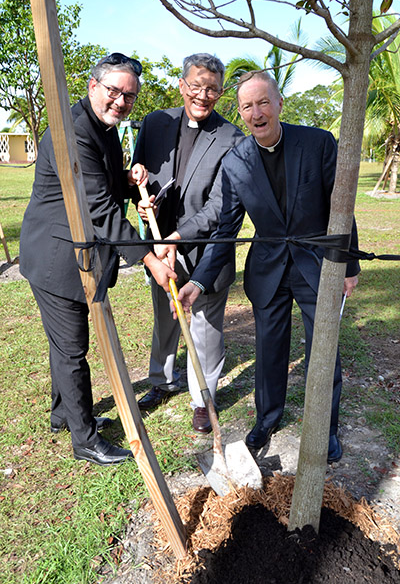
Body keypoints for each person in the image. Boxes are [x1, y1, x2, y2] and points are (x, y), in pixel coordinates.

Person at [176, 71, 360, 462]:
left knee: (323, 352)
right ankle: (267, 418)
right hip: (268, 269)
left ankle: (324, 428)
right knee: (269, 351)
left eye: (263, 102)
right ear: (241, 113)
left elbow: (340, 207)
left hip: (318, 265)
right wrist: (199, 280)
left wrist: (349, 264)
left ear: (279, 104)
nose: (256, 112)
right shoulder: (236, 160)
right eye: (247, 106)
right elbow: (226, 228)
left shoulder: (318, 143)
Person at [19, 53, 177, 465]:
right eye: (114, 91)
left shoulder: (102, 126)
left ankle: (61, 415)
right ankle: (84, 437)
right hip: (56, 258)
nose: (121, 101)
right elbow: (100, 212)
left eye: (129, 96)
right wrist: (151, 259)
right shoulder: (72, 131)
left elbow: (102, 185)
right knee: (72, 349)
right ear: (93, 86)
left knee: (63, 343)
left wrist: (127, 181)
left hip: (68, 252)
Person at [132, 53, 243, 433]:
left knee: (206, 328)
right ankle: (161, 381)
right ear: (182, 85)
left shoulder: (231, 138)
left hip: (205, 252)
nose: (202, 94)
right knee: (165, 316)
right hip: (159, 245)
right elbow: (136, 175)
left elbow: (220, 207)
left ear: (221, 93)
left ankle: (203, 397)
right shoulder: (154, 122)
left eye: (211, 88)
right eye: (195, 86)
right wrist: (139, 192)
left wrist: (178, 238)